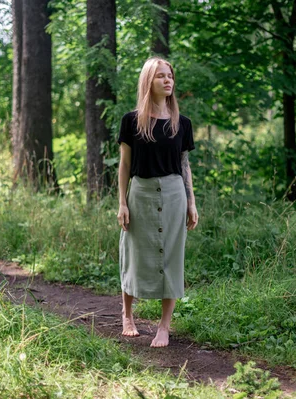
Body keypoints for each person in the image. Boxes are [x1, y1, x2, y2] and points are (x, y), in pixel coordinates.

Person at [116, 56, 199, 348]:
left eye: (170, 76)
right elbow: (124, 166)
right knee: (134, 252)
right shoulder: (131, 120)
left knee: (171, 257)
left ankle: (164, 326)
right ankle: (127, 316)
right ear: (148, 81)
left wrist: (192, 202)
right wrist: (122, 203)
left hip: (175, 194)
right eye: (161, 76)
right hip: (140, 193)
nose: (168, 81)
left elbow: (184, 164)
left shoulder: (182, 123)